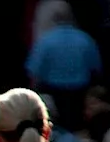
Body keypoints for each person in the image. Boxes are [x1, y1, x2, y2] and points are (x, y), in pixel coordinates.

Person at [25, 0, 101, 132]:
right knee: (76, 128)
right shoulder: (85, 39)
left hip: (53, 92)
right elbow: (96, 68)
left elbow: (33, 70)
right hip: (79, 94)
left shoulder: (45, 41)